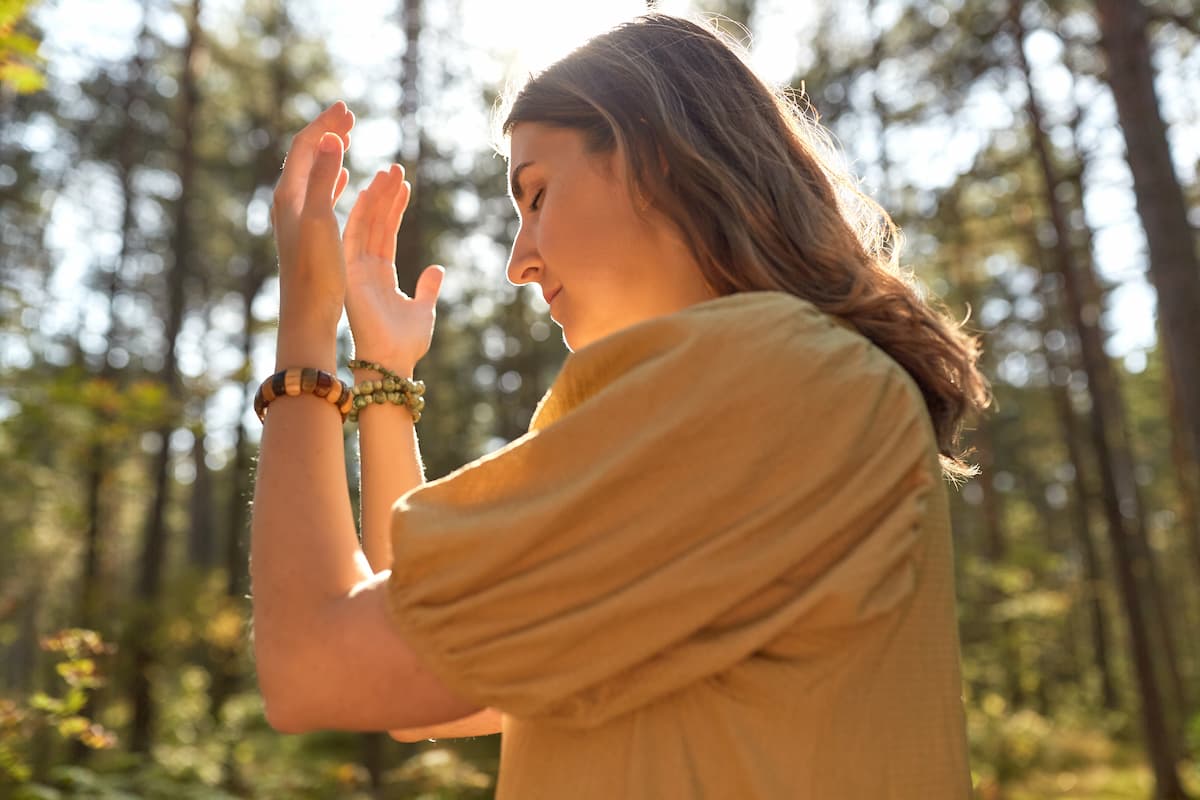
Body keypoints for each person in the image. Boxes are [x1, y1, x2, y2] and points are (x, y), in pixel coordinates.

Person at [250, 12, 988, 799]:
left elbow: (318, 666)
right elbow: (411, 661)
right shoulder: (799, 386)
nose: (518, 262)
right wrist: (383, 380)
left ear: (656, 159)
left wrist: (304, 324)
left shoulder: (765, 379)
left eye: (535, 194)